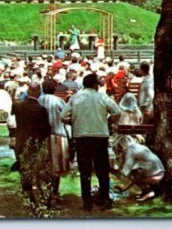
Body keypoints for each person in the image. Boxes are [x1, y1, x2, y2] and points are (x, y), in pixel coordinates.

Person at [61, 73, 121, 211]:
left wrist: (74, 122)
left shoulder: (75, 98)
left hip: (82, 136)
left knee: (85, 171)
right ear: (95, 85)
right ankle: (105, 199)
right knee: (102, 170)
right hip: (100, 136)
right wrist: (108, 121)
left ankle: (87, 202)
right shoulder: (102, 97)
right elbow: (117, 112)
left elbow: (63, 116)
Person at [12, 82, 51, 205]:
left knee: (24, 168)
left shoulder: (18, 106)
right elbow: (46, 128)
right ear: (39, 92)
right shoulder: (41, 109)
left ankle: (26, 192)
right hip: (35, 142)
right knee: (36, 167)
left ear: (28, 92)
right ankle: (36, 194)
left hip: (21, 140)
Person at [38, 79, 70, 207]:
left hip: (42, 137)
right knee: (56, 169)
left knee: (44, 167)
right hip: (57, 135)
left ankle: (46, 194)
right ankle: (54, 194)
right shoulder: (58, 101)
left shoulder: (39, 101)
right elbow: (66, 117)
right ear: (54, 89)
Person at [114, 136, 165, 202]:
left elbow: (126, 171)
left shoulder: (130, 149)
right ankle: (146, 192)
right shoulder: (138, 146)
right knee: (136, 171)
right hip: (160, 172)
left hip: (154, 175)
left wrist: (117, 171)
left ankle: (148, 192)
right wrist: (124, 188)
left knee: (131, 173)